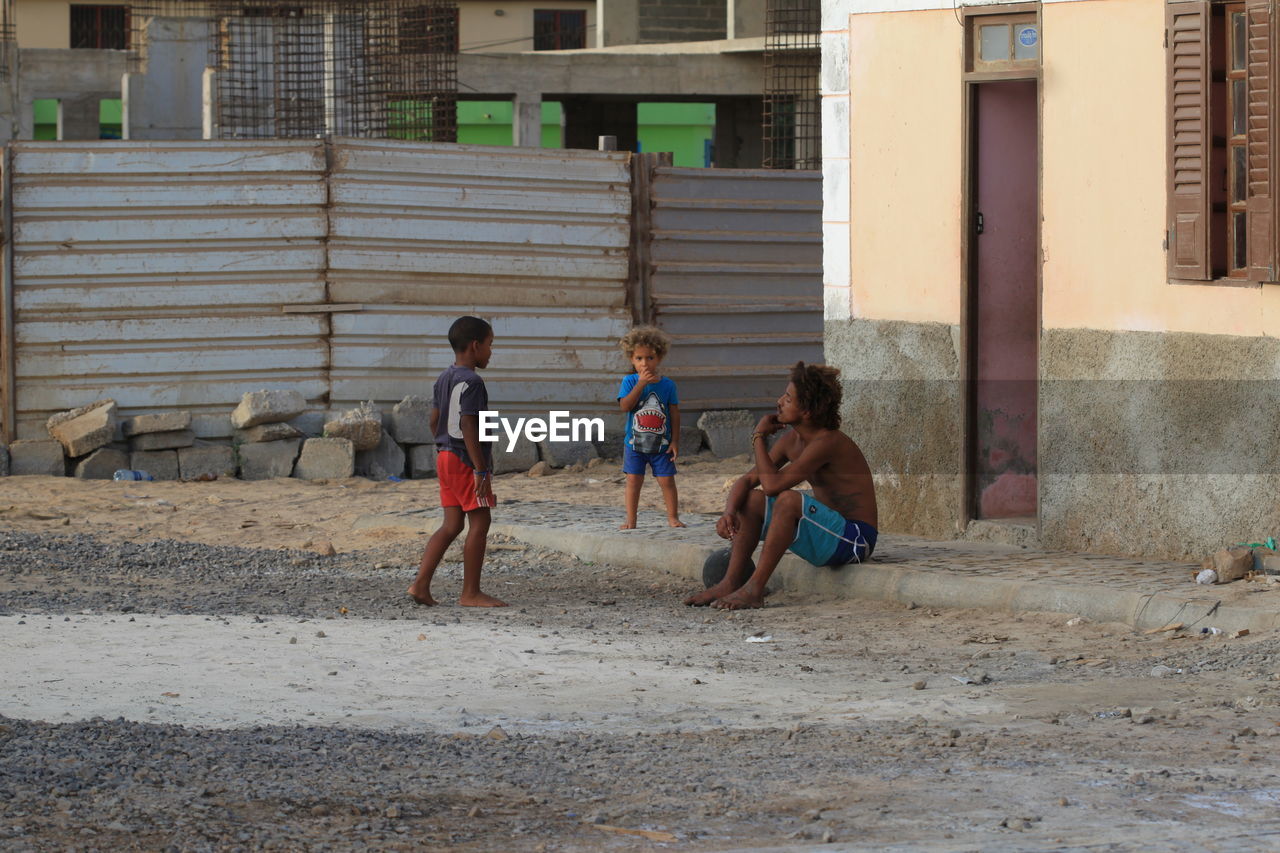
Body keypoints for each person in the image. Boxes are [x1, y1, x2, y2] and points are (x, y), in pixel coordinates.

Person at [684, 362, 878, 610]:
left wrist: (758, 437)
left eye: (788, 398)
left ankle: (754, 589)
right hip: (828, 535)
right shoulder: (792, 441)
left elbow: (773, 486)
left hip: (855, 540)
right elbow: (747, 481)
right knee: (752, 499)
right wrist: (729, 513)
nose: (779, 401)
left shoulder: (827, 442)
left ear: (807, 411)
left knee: (788, 500)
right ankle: (729, 582)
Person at [407, 316, 507, 608]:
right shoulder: (473, 382)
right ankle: (471, 593)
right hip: (464, 459)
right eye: (490, 345)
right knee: (481, 520)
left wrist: (444, 448)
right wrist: (480, 469)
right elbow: (467, 425)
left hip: (445, 457)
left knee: (451, 525)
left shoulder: (444, 377)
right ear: (475, 346)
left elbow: (434, 419)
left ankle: (420, 585)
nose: (490, 352)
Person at [616, 326, 685, 529]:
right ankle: (631, 520)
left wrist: (674, 441)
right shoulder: (629, 381)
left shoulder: (668, 385)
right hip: (634, 445)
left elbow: (674, 413)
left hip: (662, 445)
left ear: (660, 358)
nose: (644, 363)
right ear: (631, 359)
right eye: (639, 358)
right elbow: (624, 406)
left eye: (650, 358)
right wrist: (640, 384)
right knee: (633, 481)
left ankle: (672, 517)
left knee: (667, 481)